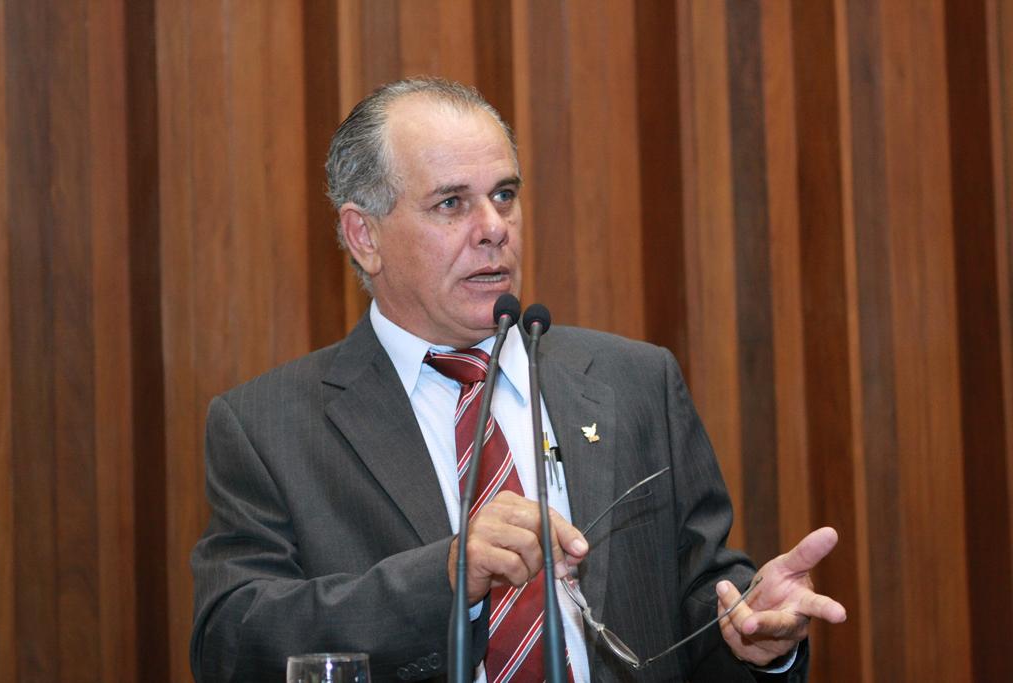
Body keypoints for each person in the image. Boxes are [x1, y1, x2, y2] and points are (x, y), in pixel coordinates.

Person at [190, 77, 846, 683]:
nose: (494, 229)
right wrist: (447, 575)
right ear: (364, 235)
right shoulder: (269, 427)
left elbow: (702, 600)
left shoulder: (636, 381)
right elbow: (231, 642)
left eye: (504, 195)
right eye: (452, 203)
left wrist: (756, 635)